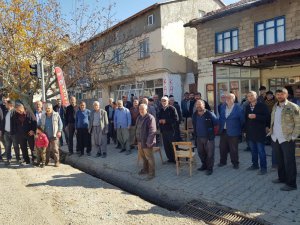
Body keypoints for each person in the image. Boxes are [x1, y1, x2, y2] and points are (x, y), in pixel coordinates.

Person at [268, 88, 300, 191]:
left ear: (286, 95)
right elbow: (273, 120)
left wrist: (293, 136)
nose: (279, 96)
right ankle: (282, 178)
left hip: (287, 138)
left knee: (289, 161)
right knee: (280, 160)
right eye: (277, 94)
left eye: (282, 94)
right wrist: (270, 131)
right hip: (275, 137)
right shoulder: (275, 106)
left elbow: (298, 123)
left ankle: (291, 184)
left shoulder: (293, 107)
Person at [245, 91, 270, 175]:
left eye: (252, 95)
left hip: (259, 132)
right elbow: (246, 120)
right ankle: (255, 165)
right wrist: (245, 131)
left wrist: (256, 116)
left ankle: (263, 168)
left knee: (261, 151)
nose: (250, 97)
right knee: (253, 150)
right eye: (248, 96)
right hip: (250, 132)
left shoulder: (262, 106)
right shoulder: (247, 107)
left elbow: (267, 117)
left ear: (256, 96)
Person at [192, 100, 218, 175]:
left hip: (209, 138)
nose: (198, 106)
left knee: (210, 154)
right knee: (200, 153)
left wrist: (212, 135)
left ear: (203, 105)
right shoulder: (194, 115)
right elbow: (194, 125)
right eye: (197, 105)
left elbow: (216, 125)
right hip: (199, 138)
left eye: (200, 105)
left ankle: (210, 168)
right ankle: (204, 165)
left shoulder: (209, 114)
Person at [219, 93, 244, 169]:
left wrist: (240, 130)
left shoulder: (239, 108)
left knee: (233, 149)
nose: (228, 99)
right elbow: (221, 118)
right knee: (222, 147)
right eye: (227, 98)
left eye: (230, 98)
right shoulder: (222, 107)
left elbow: (242, 120)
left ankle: (235, 163)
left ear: (233, 99)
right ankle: (223, 162)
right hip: (224, 131)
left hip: (234, 131)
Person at [135, 104, 157, 180]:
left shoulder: (150, 118)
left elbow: (152, 131)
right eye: (140, 109)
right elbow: (137, 128)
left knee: (150, 158)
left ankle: (152, 174)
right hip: (140, 141)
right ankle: (145, 170)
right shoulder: (139, 117)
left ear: (146, 109)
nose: (141, 110)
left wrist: (149, 142)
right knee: (143, 157)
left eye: (142, 109)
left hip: (147, 142)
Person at [157, 96, 179, 163]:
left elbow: (176, 119)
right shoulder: (160, 110)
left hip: (171, 130)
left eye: (165, 101)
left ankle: (176, 158)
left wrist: (166, 121)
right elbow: (158, 117)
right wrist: (159, 121)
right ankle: (170, 158)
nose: (163, 102)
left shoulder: (172, 108)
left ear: (168, 101)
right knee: (166, 145)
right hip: (164, 130)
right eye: (162, 101)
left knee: (173, 145)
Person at [2, 100, 20, 165]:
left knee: (16, 146)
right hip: (6, 132)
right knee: (7, 146)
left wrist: (16, 131)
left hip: (14, 133)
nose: (5, 105)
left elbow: (18, 123)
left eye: (6, 104)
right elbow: (3, 122)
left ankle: (18, 159)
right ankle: (8, 159)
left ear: (10, 104)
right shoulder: (6, 111)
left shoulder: (15, 112)